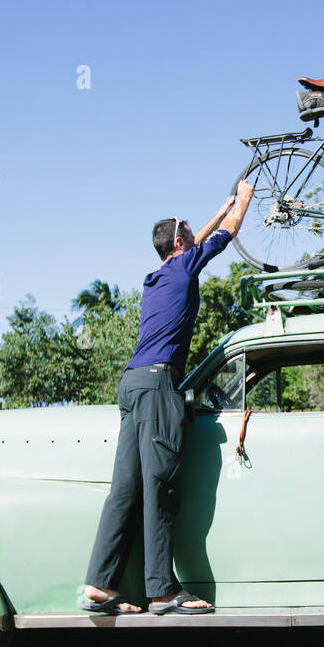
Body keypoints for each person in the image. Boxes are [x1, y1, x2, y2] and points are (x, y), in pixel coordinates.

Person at [80, 180, 255, 615]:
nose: (197, 238)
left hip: (132, 383)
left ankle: (100, 585)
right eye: (191, 235)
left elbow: (203, 233)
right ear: (180, 242)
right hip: (158, 386)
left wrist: (220, 206)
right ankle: (161, 590)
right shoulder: (183, 267)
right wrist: (245, 198)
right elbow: (226, 234)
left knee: (124, 488)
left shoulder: (157, 276)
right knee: (160, 487)